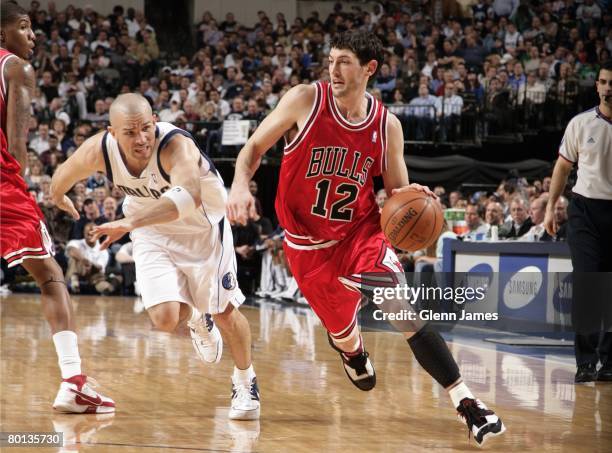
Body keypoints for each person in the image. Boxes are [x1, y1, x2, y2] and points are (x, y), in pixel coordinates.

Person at [227, 30, 504, 445]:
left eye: (344, 62)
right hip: (307, 248)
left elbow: (397, 193)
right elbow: (253, 147)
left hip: (361, 235)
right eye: (331, 60)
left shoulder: (386, 125)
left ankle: (467, 403)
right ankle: (352, 350)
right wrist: (237, 186)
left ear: (369, 68)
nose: (334, 70)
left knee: (402, 309)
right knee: (341, 331)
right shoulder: (305, 99)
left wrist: (416, 198)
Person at [50, 93, 260, 420]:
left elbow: (188, 196)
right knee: (163, 319)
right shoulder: (98, 150)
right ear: (112, 132)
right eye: (131, 132)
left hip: (202, 228)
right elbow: (58, 180)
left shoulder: (175, 146)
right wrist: (59, 197)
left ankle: (245, 380)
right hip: (152, 229)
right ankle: (195, 317)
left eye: (146, 128)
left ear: (155, 121)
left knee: (225, 313)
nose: (142, 139)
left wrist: (129, 222)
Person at [0, 1, 114, 413]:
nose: (33, 36)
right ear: (3, 34)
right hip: (2, 186)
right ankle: (73, 383)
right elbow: (15, 147)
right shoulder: (15, 68)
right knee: (51, 275)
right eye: (25, 27)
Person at [544, 60, 612, 384]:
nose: (607, 88)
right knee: (588, 285)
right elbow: (561, 169)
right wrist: (550, 209)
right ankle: (585, 362)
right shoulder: (581, 123)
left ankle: (609, 362)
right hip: (584, 211)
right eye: (603, 82)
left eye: (611, 83)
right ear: (597, 85)